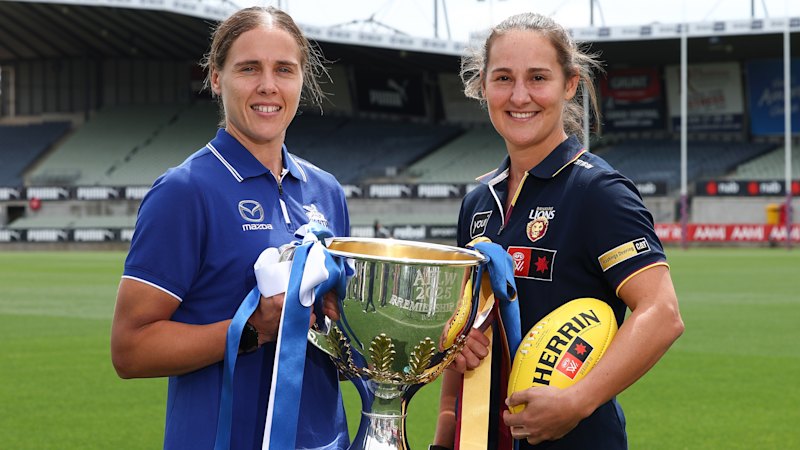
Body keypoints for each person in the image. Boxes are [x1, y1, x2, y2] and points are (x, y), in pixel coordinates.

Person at [432, 12, 684, 450]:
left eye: (538, 78)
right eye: (503, 78)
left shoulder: (597, 191)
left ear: (570, 85)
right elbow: (465, 335)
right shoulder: (476, 204)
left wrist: (577, 402)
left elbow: (662, 313)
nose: (519, 95)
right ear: (483, 87)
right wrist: (443, 433)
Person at [110, 6, 349, 450]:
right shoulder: (184, 191)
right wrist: (253, 329)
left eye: (284, 69)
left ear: (302, 79)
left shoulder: (327, 191)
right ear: (217, 78)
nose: (268, 86)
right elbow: (130, 349)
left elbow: (340, 332)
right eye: (248, 68)